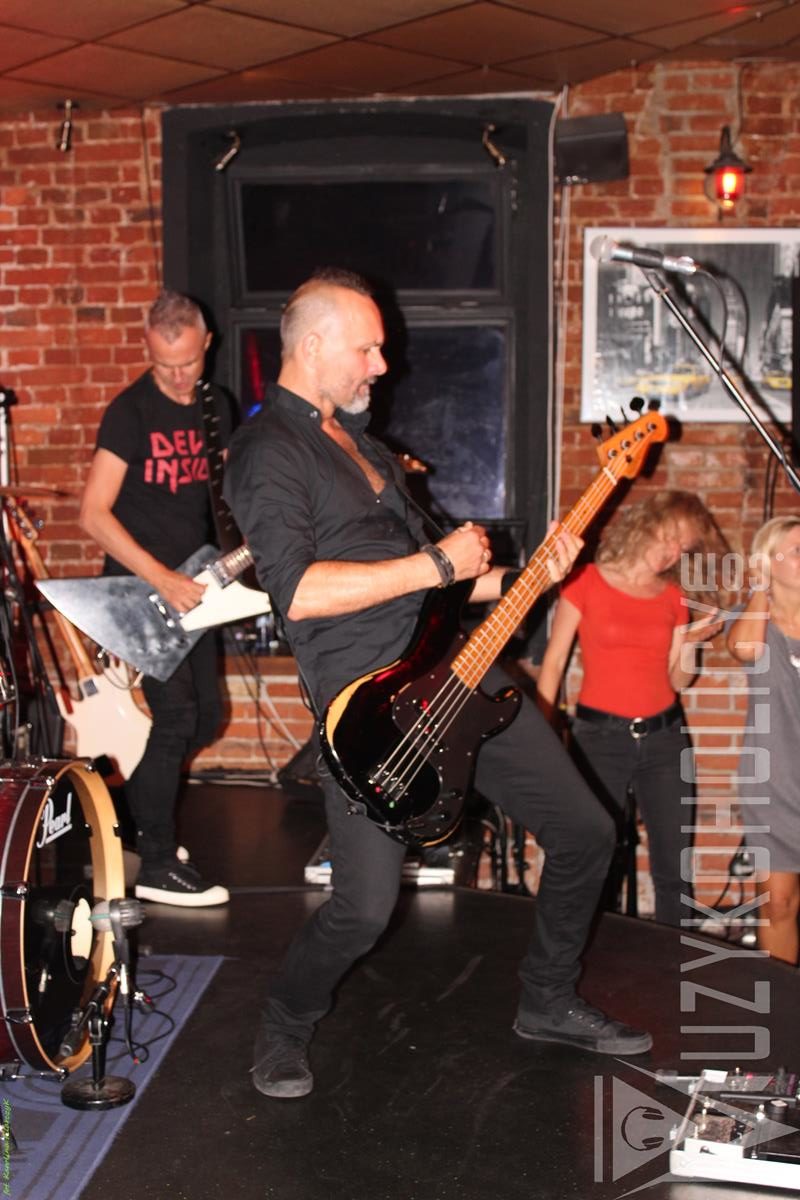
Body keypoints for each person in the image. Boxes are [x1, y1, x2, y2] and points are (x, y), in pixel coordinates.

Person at [223, 267, 653, 1101]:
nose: (382, 366)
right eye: (367, 349)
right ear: (313, 346)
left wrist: (535, 575)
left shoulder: (369, 451)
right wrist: (435, 563)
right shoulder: (267, 450)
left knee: (585, 832)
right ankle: (284, 1021)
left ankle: (549, 999)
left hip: (463, 672)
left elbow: (446, 584)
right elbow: (298, 591)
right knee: (363, 908)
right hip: (373, 712)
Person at [79, 289, 230, 907]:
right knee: (176, 717)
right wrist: (160, 577)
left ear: (207, 345)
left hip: (196, 585)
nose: (177, 376)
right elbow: (93, 514)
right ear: (148, 348)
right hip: (140, 585)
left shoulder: (216, 406)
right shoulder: (130, 411)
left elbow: (223, 496)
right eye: (165, 364)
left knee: (208, 717)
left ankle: (125, 817)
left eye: (188, 362)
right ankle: (159, 861)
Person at [536, 491, 725, 928]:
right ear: (645, 524)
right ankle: (581, 956)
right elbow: (554, 664)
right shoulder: (586, 580)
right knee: (594, 859)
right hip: (599, 740)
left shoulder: (674, 596)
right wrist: (545, 739)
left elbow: (678, 681)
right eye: (670, 538)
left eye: (682, 547)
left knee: (674, 868)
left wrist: (692, 642)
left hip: (665, 739)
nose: (673, 552)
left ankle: (672, 959)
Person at [727, 514, 800, 964]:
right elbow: (744, 650)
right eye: (797, 551)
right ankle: (784, 1002)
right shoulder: (752, 621)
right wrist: (759, 587)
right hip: (774, 784)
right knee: (779, 904)